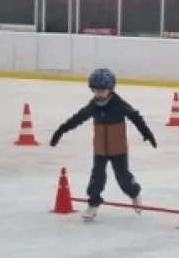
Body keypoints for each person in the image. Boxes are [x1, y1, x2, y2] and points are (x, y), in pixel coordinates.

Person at [50, 69, 157, 221]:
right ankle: (93, 203)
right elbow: (77, 118)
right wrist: (61, 130)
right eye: (96, 90)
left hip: (118, 148)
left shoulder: (118, 104)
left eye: (102, 90)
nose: (99, 94)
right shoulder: (93, 106)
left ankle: (134, 193)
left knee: (123, 178)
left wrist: (146, 133)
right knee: (97, 176)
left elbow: (135, 116)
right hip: (100, 148)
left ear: (111, 89)